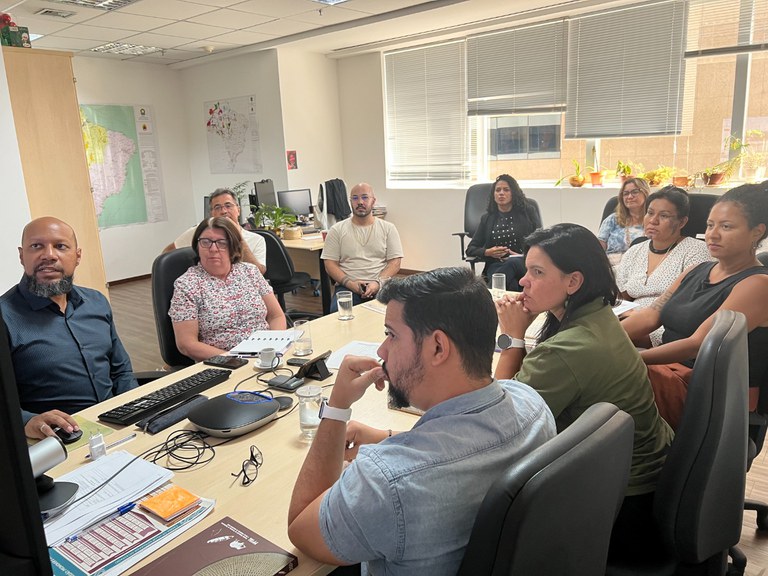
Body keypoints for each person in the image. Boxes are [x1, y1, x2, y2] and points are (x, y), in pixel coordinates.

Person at [287, 267, 555, 574]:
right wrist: (387, 437)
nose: (381, 350)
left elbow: (300, 527)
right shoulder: (532, 405)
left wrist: (336, 408)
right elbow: (467, 445)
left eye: (391, 335)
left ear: (438, 347)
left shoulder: (388, 483)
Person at [493, 223, 673, 556]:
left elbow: (500, 421)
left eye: (536, 272)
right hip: (648, 481)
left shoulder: (565, 350)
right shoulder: (600, 314)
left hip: (620, 507)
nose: (522, 281)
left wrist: (513, 338)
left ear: (573, 282)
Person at [622, 182, 768, 430]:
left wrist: (631, 359)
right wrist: (600, 340)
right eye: (710, 225)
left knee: (605, 383)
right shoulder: (695, 270)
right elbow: (650, 316)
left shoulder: (758, 284)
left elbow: (698, 344)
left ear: (757, 232)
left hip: (710, 392)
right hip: (668, 375)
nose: (713, 234)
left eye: (726, 226)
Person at [0, 217, 137, 440]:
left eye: (60, 246)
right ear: (21, 256)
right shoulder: (5, 317)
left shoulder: (96, 302)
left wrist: (137, 410)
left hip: (119, 426)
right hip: (56, 439)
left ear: (77, 256)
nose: (49, 255)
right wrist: (27, 421)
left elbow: (121, 370)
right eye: (36, 246)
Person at [168, 217, 286, 362]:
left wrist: (273, 346)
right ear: (197, 247)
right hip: (224, 364)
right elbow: (187, 344)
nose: (213, 249)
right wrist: (235, 359)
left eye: (222, 243)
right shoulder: (187, 285)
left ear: (233, 247)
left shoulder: (250, 272)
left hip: (267, 356)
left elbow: (276, 316)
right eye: (205, 242)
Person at [615, 186, 712, 345]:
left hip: (667, 328)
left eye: (664, 215)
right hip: (630, 322)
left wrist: (637, 317)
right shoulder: (635, 251)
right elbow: (620, 298)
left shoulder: (696, 251)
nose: (653, 220)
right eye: (650, 213)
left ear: (682, 222)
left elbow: (689, 307)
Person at [321, 183, 404, 311]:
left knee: (396, 314)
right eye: (355, 198)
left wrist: (377, 283)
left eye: (365, 197)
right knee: (338, 315)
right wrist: (350, 283)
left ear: (373, 201)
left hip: (380, 285)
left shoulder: (388, 228)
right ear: (350, 202)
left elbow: (395, 262)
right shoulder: (337, 230)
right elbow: (330, 264)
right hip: (347, 285)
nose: (360, 202)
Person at [163, 188, 267, 274]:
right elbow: (167, 254)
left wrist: (239, 239)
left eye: (228, 206)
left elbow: (259, 274)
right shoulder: (202, 231)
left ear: (238, 210)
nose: (224, 211)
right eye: (217, 207)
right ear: (212, 213)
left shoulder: (257, 240)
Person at [465, 174, 540, 291]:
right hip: (496, 265)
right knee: (512, 285)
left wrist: (521, 255)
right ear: (493, 195)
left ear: (513, 193)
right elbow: (471, 249)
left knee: (512, 263)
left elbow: (540, 242)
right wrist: (488, 252)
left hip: (523, 262)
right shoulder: (487, 218)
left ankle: (485, 299)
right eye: (498, 190)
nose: (501, 193)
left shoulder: (528, 212)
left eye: (506, 190)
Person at [598, 177, 650, 265]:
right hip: (611, 267)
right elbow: (598, 249)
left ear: (645, 193)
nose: (629, 197)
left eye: (635, 192)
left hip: (641, 267)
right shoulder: (612, 220)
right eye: (625, 193)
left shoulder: (653, 221)